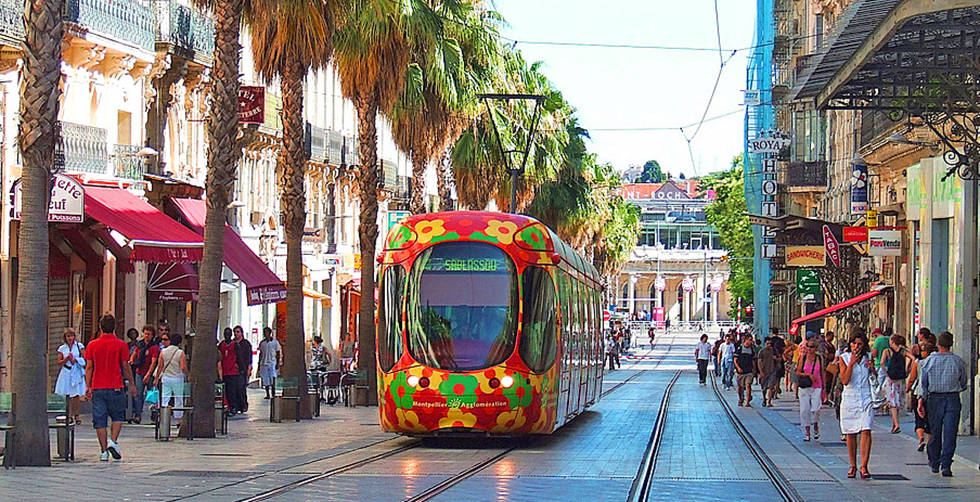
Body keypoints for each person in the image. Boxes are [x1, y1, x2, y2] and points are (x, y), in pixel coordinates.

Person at [84, 314, 136, 461]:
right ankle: (113, 441)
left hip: (98, 386)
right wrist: (132, 384)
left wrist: (87, 386)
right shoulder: (121, 345)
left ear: (100, 327)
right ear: (115, 328)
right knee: (118, 416)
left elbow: (89, 367)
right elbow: (125, 366)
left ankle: (103, 451)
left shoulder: (92, 345)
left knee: (99, 420)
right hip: (116, 386)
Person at [918, 331, 968, 477]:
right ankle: (946, 464)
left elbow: (923, 383)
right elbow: (963, 382)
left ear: (938, 344)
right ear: (951, 344)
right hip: (952, 398)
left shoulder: (929, 361)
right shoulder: (958, 361)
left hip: (934, 399)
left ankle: (934, 461)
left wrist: (921, 400)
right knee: (950, 433)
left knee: (935, 431)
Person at [838, 330, 874, 479]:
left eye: (859, 344)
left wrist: (873, 368)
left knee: (866, 430)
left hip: (865, 397)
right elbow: (845, 380)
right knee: (851, 433)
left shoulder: (869, 358)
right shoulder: (844, 358)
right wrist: (851, 363)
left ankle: (864, 465)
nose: (856, 347)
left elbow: (875, 378)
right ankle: (852, 465)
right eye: (854, 343)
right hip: (850, 398)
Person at [154, 332, 188, 427]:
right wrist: (188, 374)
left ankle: (163, 418)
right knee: (178, 398)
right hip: (177, 378)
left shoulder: (163, 352)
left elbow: (160, 366)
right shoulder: (180, 352)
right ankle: (179, 419)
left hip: (166, 378)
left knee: (165, 398)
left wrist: (157, 378)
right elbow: (183, 367)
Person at [880, 333, 912, 434]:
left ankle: (897, 425)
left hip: (891, 380)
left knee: (892, 403)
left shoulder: (887, 351)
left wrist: (887, 374)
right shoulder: (903, 351)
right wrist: (908, 370)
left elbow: (881, 363)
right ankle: (894, 424)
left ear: (892, 341)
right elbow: (913, 358)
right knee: (897, 401)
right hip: (901, 379)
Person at [906, 341, 934, 452]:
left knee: (919, 418)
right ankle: (930, 442)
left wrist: (908, 388)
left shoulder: (918, 362)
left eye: (923, 351)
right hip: (930, 393)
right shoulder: (934, 361)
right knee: (929, 419)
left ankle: (921, 438)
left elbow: (912, 378)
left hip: (918, 393)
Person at [128, 325, 159, 425]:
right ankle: (137, 415)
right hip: (139, 372)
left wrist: (148, 374)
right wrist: (132, 359)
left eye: (149, 334)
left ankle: (154, 417)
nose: (146, 336)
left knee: (153, 395)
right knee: (138, 394)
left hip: (149, 373)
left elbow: (153, 362)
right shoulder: (140, 344)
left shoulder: (154, 347)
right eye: (145, 334)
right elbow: (135, 353)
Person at [55, 328, 86, 425]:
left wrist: (76, 360)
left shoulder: (79, 346)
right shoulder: (62, 348)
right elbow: (59, 362)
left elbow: (85, 358)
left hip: (75, 371)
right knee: (67, 395)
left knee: (76, 395)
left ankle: (77, 415)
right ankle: (68, 415)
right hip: (66, 371)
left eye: (71, 336)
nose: (70, 338)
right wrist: (66, 359)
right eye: (68, 336)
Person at [797, 338, 823, 442]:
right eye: (807, 346)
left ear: (816, 348)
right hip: (805, 387)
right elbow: (798, 372)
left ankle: (815, 425)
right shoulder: (802, 358)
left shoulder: (819, 359)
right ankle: (807, 432)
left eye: (811, 347)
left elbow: (822, 373)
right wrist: (808, 374)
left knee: (816, 409)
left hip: (817, 386)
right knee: (804, 410)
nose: (809, 349)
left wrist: (824, 389)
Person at [218, 328, 241, 414]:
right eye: (225, 334)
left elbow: (239, 358)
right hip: (223, 372)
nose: (227, 336)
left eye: (228, 334)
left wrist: (242, 370)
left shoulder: (235, 345)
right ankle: (226, 406)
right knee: (225, 391)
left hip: (232, 372)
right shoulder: (222, 345)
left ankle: (233, 407)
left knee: (232, 390)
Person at [257, 327, 282, 399]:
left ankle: (273, 393)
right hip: (264, 363)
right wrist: (259, 364)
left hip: (272, 362)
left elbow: (278, 352)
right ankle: (267, 394)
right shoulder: (262, 343)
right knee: (265, 379)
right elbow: (261, 353)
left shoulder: (275, 342)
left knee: (272, 378)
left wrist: (277, 363)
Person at [734, 335, 758, 407]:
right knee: (740, 387)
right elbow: (735, 360)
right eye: (750, 340)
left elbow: (753, 360)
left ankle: (747, 402)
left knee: (748, 385)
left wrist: (754, 369)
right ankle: (741, 398)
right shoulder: (740, 348)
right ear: (746, 340)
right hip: (741, 371)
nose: (751, 342)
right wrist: (738, 368)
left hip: (749, 371)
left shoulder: (752, 350)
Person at [233, 325, 253, 413]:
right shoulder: (233, 343)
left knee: (241, 387)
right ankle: (237, 406)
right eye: (235, 332)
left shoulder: (246, 344)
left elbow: (249, 356)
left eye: (238, 332)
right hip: (234, 369)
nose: (236, 334)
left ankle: (243, 405)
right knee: (235, 388)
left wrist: (249, 367)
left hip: (243, 368)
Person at [758, 338, 777, 407]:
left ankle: (769, 402)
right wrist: (760, 372)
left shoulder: (773, 351)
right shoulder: (762, 351)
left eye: (770, 343)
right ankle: (764, 399)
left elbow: (780, 358)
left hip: (772, 370)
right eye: (767, 343)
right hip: (764, 371)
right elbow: (759, 362)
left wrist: (776, 359)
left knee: (771, 387)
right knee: (764, 388)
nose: (769, 345)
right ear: (765, 343)